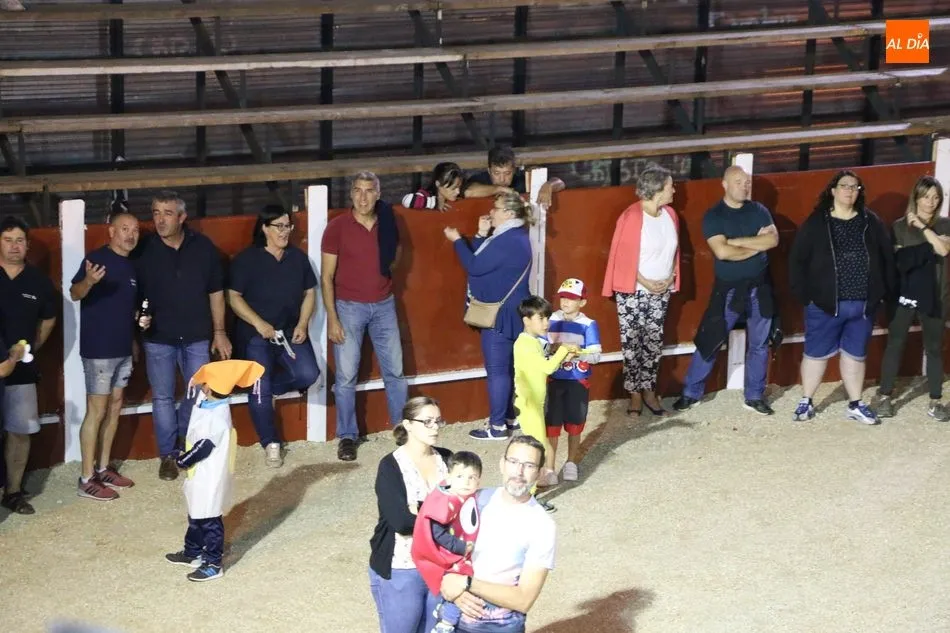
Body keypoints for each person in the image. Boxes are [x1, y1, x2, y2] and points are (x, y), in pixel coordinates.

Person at [136, 190, 232, 481]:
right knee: (163, 398)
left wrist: (219, 332)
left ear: (181, 217)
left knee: (197, 394)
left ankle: (186, 445)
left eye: (167, 213)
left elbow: (216, 292)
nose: (160, 220)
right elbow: (132, 293)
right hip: (158, 337)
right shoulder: (143, 249)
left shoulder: (203, 247)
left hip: (196, 335)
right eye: (156, 213)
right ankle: (168, 454)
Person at [789, 170, 895, 425]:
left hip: (863, 304)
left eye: (855, 187)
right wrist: (807, 297)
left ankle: (855, 404)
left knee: (855, 354)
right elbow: (797, 260)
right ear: (833, 191)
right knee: (815, 354)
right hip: (825, 305)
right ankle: (806, 401)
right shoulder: (817, 222)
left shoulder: (871, 221)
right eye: (845, 186)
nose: (850, 190)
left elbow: (887, 258)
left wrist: (882, 294)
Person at [672, 166, 779, 416]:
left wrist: (736, 242)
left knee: (760, 343)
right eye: (738, 182)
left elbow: (772, 240)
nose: (744, 186)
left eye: (747, 182)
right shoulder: (714, 215)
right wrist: (756, 246)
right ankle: (691, 393)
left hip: (760, 287)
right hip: (728, 289)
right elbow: (722, 252)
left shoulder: (759, 210)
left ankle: (754, 396)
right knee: (710, 339)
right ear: (725, 184)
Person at [322, 171, 408, 462]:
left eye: (369, 191)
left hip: (384, 304)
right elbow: (326, 277)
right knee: (346, 376)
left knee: (395, 371)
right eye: (357, 190)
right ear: (351, 194)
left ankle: (402, 429)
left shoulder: (388, 222)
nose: (363, 197)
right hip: (348, 307)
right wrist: (332, 318)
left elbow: (396, 255)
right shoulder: (337, 227)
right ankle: (347, 436)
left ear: (378, 194)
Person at [228, 204, 320, 468]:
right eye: (278, 226)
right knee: (260, 386)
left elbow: (310, 292)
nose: (285, 231)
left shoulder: (298, 258)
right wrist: (258, 323)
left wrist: (303, 323)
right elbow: (233, 296)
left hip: (289, 332)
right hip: (256, 335)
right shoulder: (247, 260)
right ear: (264, 228)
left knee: (308, 374)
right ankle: (270, 443)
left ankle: (266, 390)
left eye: (288, 225)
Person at [439, 436, 557, 633]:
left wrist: (465, 583)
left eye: (529, 465)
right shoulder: (475, 499)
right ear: (502, 464)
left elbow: (523, 600)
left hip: (499, 627)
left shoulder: (542, 525)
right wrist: (453, 588)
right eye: (513, 462)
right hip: (453, 618)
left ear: (539, 473)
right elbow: (438, 547)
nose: (519, 471)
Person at [69, 211, 147, 501]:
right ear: (111, 231)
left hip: (123, 348)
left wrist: (136, 335)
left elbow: (128, 309)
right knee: (97, 410)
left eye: (135, 230)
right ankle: (86, 478)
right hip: (99, 351)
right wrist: (89, 281)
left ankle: (103, 469)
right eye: (124, 228)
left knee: (115, 407)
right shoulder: (96, 259)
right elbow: (75, 293)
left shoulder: (131, 267)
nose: (131, 234)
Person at [163, 359, 264, 582]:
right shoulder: (209, 403)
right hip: (201, 474)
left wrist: (183, 461)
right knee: (196, 513)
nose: (201, 386)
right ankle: (193, 551)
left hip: (209, 475)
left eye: (204, 383)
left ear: (209, 388)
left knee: (209, 519)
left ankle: (213, 563)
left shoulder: (218, 416)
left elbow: (203, 447)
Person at [444, 192, 533, 441]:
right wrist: (481, 234)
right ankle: (509, 418)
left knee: (497, 371)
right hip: (514, 311)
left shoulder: (506, 240)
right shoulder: (514, 236)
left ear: (509, 213)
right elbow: (484, 261)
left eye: (496, 208)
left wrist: (457, 240)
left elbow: (475, 266)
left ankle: (497, 427)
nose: (491, 211)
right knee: (509, 368)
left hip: (499, 314)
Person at [602, 163, 680, 416]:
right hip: (634, 290)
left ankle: (649, 390)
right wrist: (645, 282)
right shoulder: (632, 216)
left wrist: (670, 278)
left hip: (662, 290)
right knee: (633, 343)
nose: (674, 190)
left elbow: (674, 253)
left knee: (653, 343)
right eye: (670, 186)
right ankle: (634, 393)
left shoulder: (670, 215)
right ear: (657, 189)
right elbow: (621, 257)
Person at [370, 396, 452, 633]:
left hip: (441, 565)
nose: (435, 427)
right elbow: (401, 522)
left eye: (438, 421)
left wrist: (420, 508)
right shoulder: (390, 466)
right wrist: (441, 515)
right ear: (408, 425)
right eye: (427, 422)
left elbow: (464, 507)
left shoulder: (447, 458)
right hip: (402, 566)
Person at [877, 177, 950, 421]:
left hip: (936, 295)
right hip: (905, 295)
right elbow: (899, 261)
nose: (931, 202)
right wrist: (929, 243)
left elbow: (943, 250)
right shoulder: (898, 227)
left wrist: (921, 226)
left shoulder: (945, 224)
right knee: (895, 344)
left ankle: (935, 401)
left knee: (934, 348)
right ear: (916, 198)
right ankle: (885, 397)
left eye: (936, 197)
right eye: (926, 197)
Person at [0, 216, 57, 515]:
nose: (14, 246)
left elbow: (49, 318)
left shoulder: (38, 282)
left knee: (20, 432)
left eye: (19, 240)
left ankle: (13, 492)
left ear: (28, 245)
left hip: (21, 371)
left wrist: (31, 348)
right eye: (8, 240)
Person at [512, 295, 577, 505]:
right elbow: (548, 367)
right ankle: (528, 496)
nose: (546, 323)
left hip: (534, 404)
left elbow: (543, 366)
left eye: (547, 318)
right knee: (537, 450)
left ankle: (528, 490)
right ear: (526, 320)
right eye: (541, 318)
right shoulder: (525, 344)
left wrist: (564, 356)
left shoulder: (531, 342)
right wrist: (564, 349)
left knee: (539, 447)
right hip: (529, 405)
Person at [412, 451, 483, 633]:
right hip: (450, 556)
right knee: (460, 584)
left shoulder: (469, 497)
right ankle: (446, 622)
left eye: (472, 477)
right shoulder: (445, 500)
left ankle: (445, 611)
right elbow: (437, 532)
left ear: (479, 481)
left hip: (462, 552)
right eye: (460, 476)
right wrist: (461, 547)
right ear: (449, 477)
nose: (466, 482)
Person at [543, 278, 601, 484]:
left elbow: (596, 355)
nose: (566, 302)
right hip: (554, 380)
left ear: (582, 302)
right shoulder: (550, 320)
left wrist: (577, 352)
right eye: (563, 297)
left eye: (572, 298)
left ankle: (571, 462)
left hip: (577, 381)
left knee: (575, 423)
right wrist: (551, 349)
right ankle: (550, 468)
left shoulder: (588, 325)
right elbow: (542, 346)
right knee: (551, 425)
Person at [461, 146, 565, 208]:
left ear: (514, 170)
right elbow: (467, 191)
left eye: (507, 173)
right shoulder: (480, 180)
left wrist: (548, 185)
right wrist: (499, 189)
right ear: (489, 171)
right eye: (496, 173)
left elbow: (560, 182)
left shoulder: (521, 179)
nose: (502, 179)